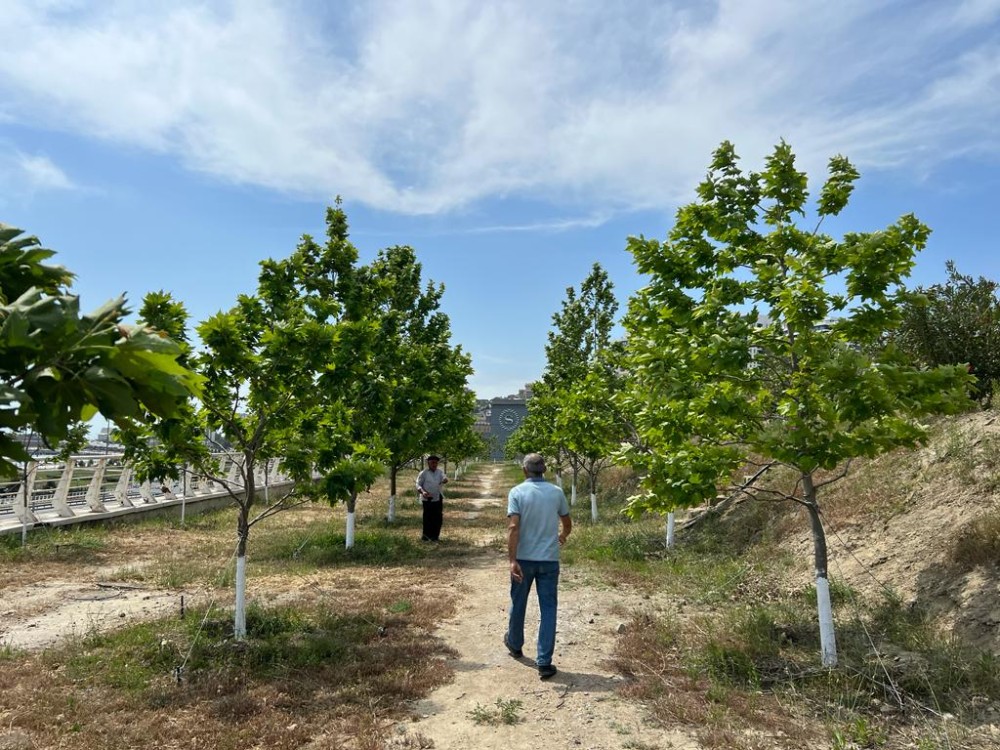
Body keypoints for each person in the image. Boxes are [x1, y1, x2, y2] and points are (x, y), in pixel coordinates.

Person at [504, 452, 572, 679]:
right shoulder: (556, 492)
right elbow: (567, 521)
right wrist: (563, 535)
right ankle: (544, 662)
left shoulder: (517, 492)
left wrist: (512, 560)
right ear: (544, 470)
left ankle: (514, 644)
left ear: (525, 470)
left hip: (524, 559)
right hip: (549, 560)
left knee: (519, 602)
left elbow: (514, 527)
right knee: (549, 608)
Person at [416, 454, 448, 542]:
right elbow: (418, 485)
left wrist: (445, 480)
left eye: (436, 463)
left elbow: (444, 478)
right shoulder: (423, 473)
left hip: (438, 497)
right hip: (427, 498)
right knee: (427, 517)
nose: (434, 464)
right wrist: (423, 492)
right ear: (428, 463)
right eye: (432, 462)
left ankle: (435, 536)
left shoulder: (440, 472)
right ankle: (426, 536)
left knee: (437, 517)